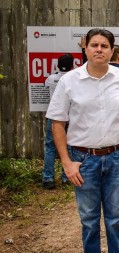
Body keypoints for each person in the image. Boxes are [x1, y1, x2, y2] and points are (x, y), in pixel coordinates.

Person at [47, 28, 119, 253]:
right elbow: (57, 123)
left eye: (104, 46)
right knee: (88, 218)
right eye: (94, 45)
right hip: (83, 159)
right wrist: (66, 162)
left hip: (116, 157)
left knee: (114, 217)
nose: (99, 49)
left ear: (112, 50)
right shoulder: (69, 81)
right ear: (85, 48)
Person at [42, 53, 74, 189]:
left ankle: (48, 178)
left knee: (50, 147)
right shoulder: (72, 79)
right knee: (69, 146)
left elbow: (45, 84)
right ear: (72, 66)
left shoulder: (51, 79)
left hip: (54, 116)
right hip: (69, 116)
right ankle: (67, 177)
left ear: (57, 65)